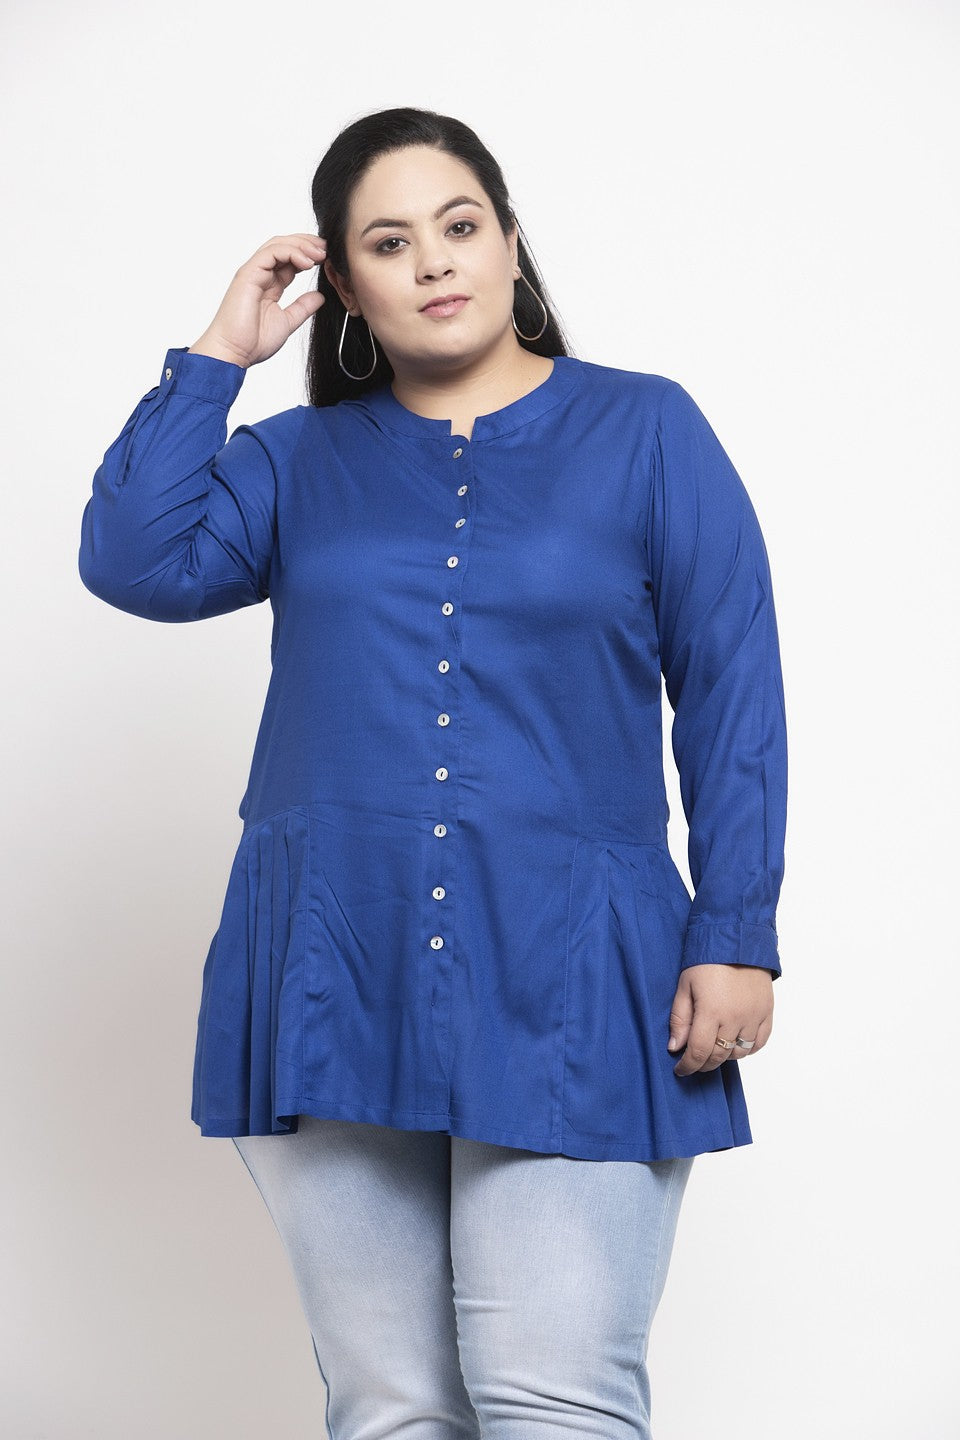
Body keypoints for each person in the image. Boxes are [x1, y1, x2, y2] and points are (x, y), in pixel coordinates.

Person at [78, 106, 788, 1438]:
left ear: (511, 241)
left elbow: (733, 685)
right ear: (345, 288)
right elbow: (134, 559)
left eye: (460, 226)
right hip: (333, 964)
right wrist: (217, 357)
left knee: (555, 1399)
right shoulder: (294, 461)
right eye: (390, 243)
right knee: (391, 1408)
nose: (435, 261)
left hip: (573, 968)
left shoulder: (647, 431)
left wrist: (736, 930)